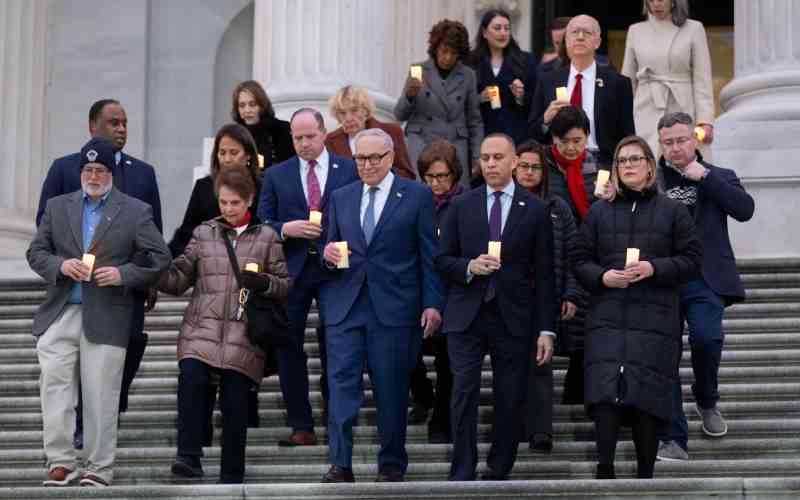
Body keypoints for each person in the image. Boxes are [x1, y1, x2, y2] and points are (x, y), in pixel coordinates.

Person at [27, 137, 170, 487]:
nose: (93, 176)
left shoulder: (135, 211)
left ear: (111, 174)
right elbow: (36, 252)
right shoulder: (57, 207)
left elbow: (161, 258)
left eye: (101, 170)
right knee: (54, 386)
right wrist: (60, 266)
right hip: (60, 311)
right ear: (80, 172)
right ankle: (61, 462)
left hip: (108, 314)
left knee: (101, 392)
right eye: (88, 169)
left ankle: (98, 466)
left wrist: (124, 274)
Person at [573, 134, 702, 479]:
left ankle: (646, 474)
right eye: (622, 160)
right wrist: (602, 277)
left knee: (648, 392)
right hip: (607, 314)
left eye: (635, 159)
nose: (628, 165)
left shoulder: (673, 211)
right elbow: (579, 259)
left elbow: (692, 259)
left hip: (655, 316)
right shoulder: (599, 212)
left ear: (649, 167)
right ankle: (604, 468)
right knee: (604, 391)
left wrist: (654, 268)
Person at [320, 128, 444, 483]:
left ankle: (391, 463)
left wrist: (432, 303)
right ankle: (340, 464)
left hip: (394, 308)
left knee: (391, 388)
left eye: (375, 157)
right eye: (361, 158)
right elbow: (330, 248)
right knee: (341, 386)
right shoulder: (341, 196)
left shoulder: (417, 195)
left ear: (390, 157)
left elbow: (429, 255)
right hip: (346, 306)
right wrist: (327, 255)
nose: (367, 164)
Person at [159, 167, 290, 484]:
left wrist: (264, 283)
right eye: (223, 202)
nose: (228, 209)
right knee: (191, 381)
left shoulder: (268, 237)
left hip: (244, 335)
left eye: (235, 202)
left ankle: (232, 474)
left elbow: (285, 285)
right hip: (200, 329)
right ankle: (188, 457)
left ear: (250, 200)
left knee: (235, 405)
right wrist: (154, 270)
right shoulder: (204, 233)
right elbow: (179, 279)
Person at [436, 133, 555, 481]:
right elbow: (442, 259)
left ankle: (500, 465)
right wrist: (469, 267)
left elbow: (545, 274)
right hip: (466, 314)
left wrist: (546, 329)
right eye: (485, 158)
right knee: (463, 391)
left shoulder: (536, 210)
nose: (490, 164)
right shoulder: (461, 205)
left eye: (498, 157)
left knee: (510, 394)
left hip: (514, 316)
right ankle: (462, 468)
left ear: (514, 161)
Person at [654, 112, 755, 461]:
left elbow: (745, 210)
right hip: (662, 279)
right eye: (668, 142)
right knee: (664, 357)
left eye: (681, 140)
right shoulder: (650, 179)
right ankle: (673, 437)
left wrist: (707, 178)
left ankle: (707, 399)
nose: (675, 148)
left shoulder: (720, 175)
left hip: (704, 278)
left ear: (694, 139)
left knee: (707, 338)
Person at [258, 108, 359, 447]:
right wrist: (286, 229)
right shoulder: (276, 174)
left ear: (324, 133)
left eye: (310, 136)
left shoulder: (349, 169)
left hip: (336, 269)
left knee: (337, 343)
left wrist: (339, 247)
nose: (304, 144)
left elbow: (358, 216)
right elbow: (262, 223)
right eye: (297, 138)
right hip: (292, 270)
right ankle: (301, 424)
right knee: (289, 347)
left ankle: (336, 419)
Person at [513, 140, 583, 453]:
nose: (529, 172)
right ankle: (514, 424)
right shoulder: (502, 203)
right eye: (524, 166)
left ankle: (541, 430)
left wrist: (571, 293)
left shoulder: (557, 207)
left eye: (535, 167)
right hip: (511, 298)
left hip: (547, 296)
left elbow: (573, 254)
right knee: (513, 364)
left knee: (541, 362)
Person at [541, 106, 608, 404]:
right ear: (553, 139)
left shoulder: (598, 168)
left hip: (587, 257)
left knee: (584, 327)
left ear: (587, 137)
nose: (570, 148)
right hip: (553, 253)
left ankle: (575, 391)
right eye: (563, 141)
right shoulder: (542, 166)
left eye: (577, 141)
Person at [407, 140, 463, 443]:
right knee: (407, 353)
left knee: (446, 362)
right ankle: (423, 396)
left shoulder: (464, 203)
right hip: (417, 288)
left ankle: (441, 420)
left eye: (442, 176)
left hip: (453, 292)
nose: (436, 183)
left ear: (454, 174)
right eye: (429, 177)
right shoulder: (416, 201)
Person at [529, 14, 634, 168]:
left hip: (601, 163)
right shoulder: (548, 80)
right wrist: (546, 119)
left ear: (598, 42)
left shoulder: (618, 83)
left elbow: (628, 136)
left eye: (587, 32)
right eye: (575, 32)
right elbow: (532, 132)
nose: (580, 37)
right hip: (556, 164)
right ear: (566, 41)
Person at [394, 19, 483, 188]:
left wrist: (478, 155)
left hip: (454, 143)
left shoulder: (468, 75)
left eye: (454, 53)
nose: (448, 57)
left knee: (457, 193)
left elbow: (474, 120)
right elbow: (399, 114)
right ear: (435, 49)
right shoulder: (418, 70)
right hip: (422, 141)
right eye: (444, 51)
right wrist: (409, 96)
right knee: (422, 191)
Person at [622, 0, 715, 157]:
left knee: (684, 157)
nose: (656, 4)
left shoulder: (694, 28)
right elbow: (626, 81)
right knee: (646, 158)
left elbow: (702, 79)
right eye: (651, 0)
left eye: (661, 0)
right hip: (645, 107)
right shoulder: (635, 31)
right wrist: (622, 119)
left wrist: (705, 121)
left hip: (683, 104)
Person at [169, 123, 262, 258]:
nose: (227, 159)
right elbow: (188, 231)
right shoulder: (203, 186)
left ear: (248, 155)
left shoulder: (262, 187)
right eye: (222, 153)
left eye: (234, 153)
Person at [466, 9, 538, 148]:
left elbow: (536, 101)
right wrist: (479, 98)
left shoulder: (525, 60)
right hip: (482, 134)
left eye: (507, 28)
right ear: (484, 32)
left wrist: (520, 96)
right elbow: (461, 102)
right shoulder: (471, 62)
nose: (503, 33)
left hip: (516, 135)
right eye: (497, 28)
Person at [326, 85, 415, 180]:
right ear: (337, 116)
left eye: (354, 110)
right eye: (342, 113)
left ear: (366, 110)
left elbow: (407, 175)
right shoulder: (330, 141)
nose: (348, 118)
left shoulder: (392, 131)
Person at [231, 80, 295, 171]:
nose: (247, 110)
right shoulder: (234, 135)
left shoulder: (281, 130)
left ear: (262, 106)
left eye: (252, 104)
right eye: (242, 105)